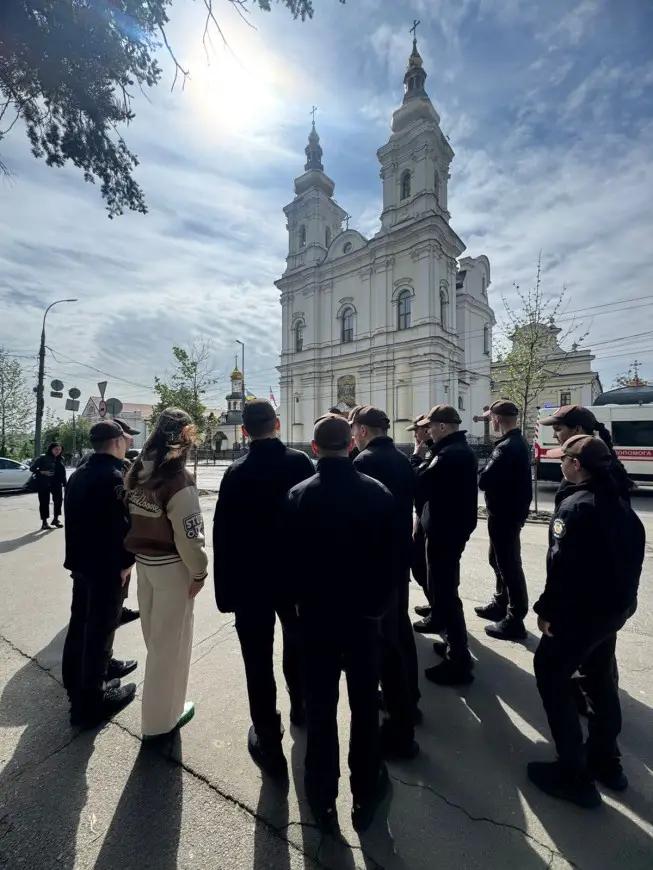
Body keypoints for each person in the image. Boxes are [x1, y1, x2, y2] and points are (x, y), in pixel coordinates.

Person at [284, 414, 395, 832]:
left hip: (315, 620)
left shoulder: (297, 495)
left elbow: (287, 565)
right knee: (365, 706)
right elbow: (392, 561)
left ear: (314, 448)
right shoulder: (378, 493)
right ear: (351, 445)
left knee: (320, 706)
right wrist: (378, 610)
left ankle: (321, 796)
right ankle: (366, 793)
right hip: (364, 621)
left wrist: (296, 611)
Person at [528, 435, 645, 808]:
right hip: (612, 613)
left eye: (564, 458)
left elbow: (562, 568)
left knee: (550, 671)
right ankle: (606, 762)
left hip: (580, 615)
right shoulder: (621, 502)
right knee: (600, 679)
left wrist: (547, 611)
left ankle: (573, 774)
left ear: (576, 465)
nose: (560, 463)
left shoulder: (577, 507)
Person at [213, 399, 314, 777]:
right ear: (277, 423)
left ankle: (269, 745)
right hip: (294, 579)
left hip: (250, 583)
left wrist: (226, 594)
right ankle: (300, 706)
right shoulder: (300, 463)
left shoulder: (236, 473)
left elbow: (222, 537)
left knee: (257, 661)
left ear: (244, 431)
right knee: (297, 644)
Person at [124, 408, 208, 740]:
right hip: (172, 569)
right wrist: (199, 572)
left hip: (145, 565)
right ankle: (161, 721)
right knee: (169, 648)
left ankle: (163, 711)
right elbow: (190, 537)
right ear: (184, 438)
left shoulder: (138, 470)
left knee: (155, 641)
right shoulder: (178, 480)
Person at [351, 405, 420, 758]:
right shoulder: (401, 458)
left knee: (384, 643)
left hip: (375, 564)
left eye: (354, 430)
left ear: (362, 431)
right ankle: (411, 699)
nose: (353, 437)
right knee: (399, 630)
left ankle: (398, 719)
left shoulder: (364, 463)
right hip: (399, 556)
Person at [61, 421, 137, 728]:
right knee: (100, 630)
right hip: (107, 567)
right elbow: (121, 526)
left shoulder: (81, 471)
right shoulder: (114, 477)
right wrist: (127, 562)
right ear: (117, 441)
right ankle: (91, 703)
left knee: (80, 624)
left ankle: (76, 685)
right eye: (126, 436)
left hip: (81, 563)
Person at [414, 405, 478, 685]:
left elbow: (420, 483)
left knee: (445, 592)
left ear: (441, 426)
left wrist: (416, 459)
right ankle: (454, 644)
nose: (427, 430)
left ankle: (458, 660)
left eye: (430, 426)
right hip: (450, 528)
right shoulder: (454, 449)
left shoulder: (449, 454)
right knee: (444, 588)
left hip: (445, 531)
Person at [476, 399, 532, 640]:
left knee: (508, 565)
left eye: (492, 419)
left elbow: (485, 480)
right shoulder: (517, 442)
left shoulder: (507, 447)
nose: (491, 422)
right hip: (508, 513)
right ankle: (500, 603)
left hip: (504, 515)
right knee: (497, 560)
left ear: (497, 419)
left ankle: (514, 618)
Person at [539, 405, 633, 499]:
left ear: (577, 429)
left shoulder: (588, 475)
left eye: (558, 429)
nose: (554, 436)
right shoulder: (598, 465)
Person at [114, 419, 142, 626]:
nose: (131, 439)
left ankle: (118, 609)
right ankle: (115, 612)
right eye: (128, 435)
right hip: (116, 544)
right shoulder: (119, 468)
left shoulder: (87, 464)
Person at [407, 416, 433, 616]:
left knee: (425, 567)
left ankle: (438, 610)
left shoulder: (434, 453)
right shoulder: (433, 451)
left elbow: (415, 479)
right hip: (424, 514)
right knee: (421, 567)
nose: (415, 435)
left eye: (417, 431)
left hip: (431, 519)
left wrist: (416, 454)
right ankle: (435, 605)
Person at [31, 442, 67, 530]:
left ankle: (55, 519)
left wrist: (66, 485)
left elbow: (63, 473)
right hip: (44, 483)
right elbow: (32, 468)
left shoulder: (60, 459)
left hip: (57, 484)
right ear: (51, 449)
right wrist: (42, 472)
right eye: (56, 449)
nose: (58, 451)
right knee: (44, 502)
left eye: (59, 449)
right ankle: (44, 523)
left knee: (58, 501)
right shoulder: (43, 458)